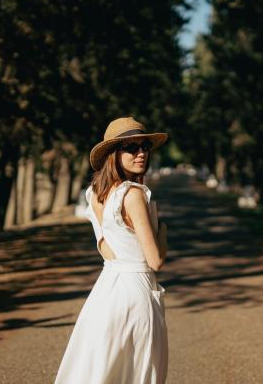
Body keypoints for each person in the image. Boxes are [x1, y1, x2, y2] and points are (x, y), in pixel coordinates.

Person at [54, 116, 169, 384]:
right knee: (137, 372)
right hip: (136, 292)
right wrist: (162, 230)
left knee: (99, 369)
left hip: (106, 291)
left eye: (144, 146)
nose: (140, 153)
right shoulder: (134, 194)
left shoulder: (93, 193)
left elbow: (106, 250)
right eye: (130, 148)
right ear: (113, 154)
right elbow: (155, 261)